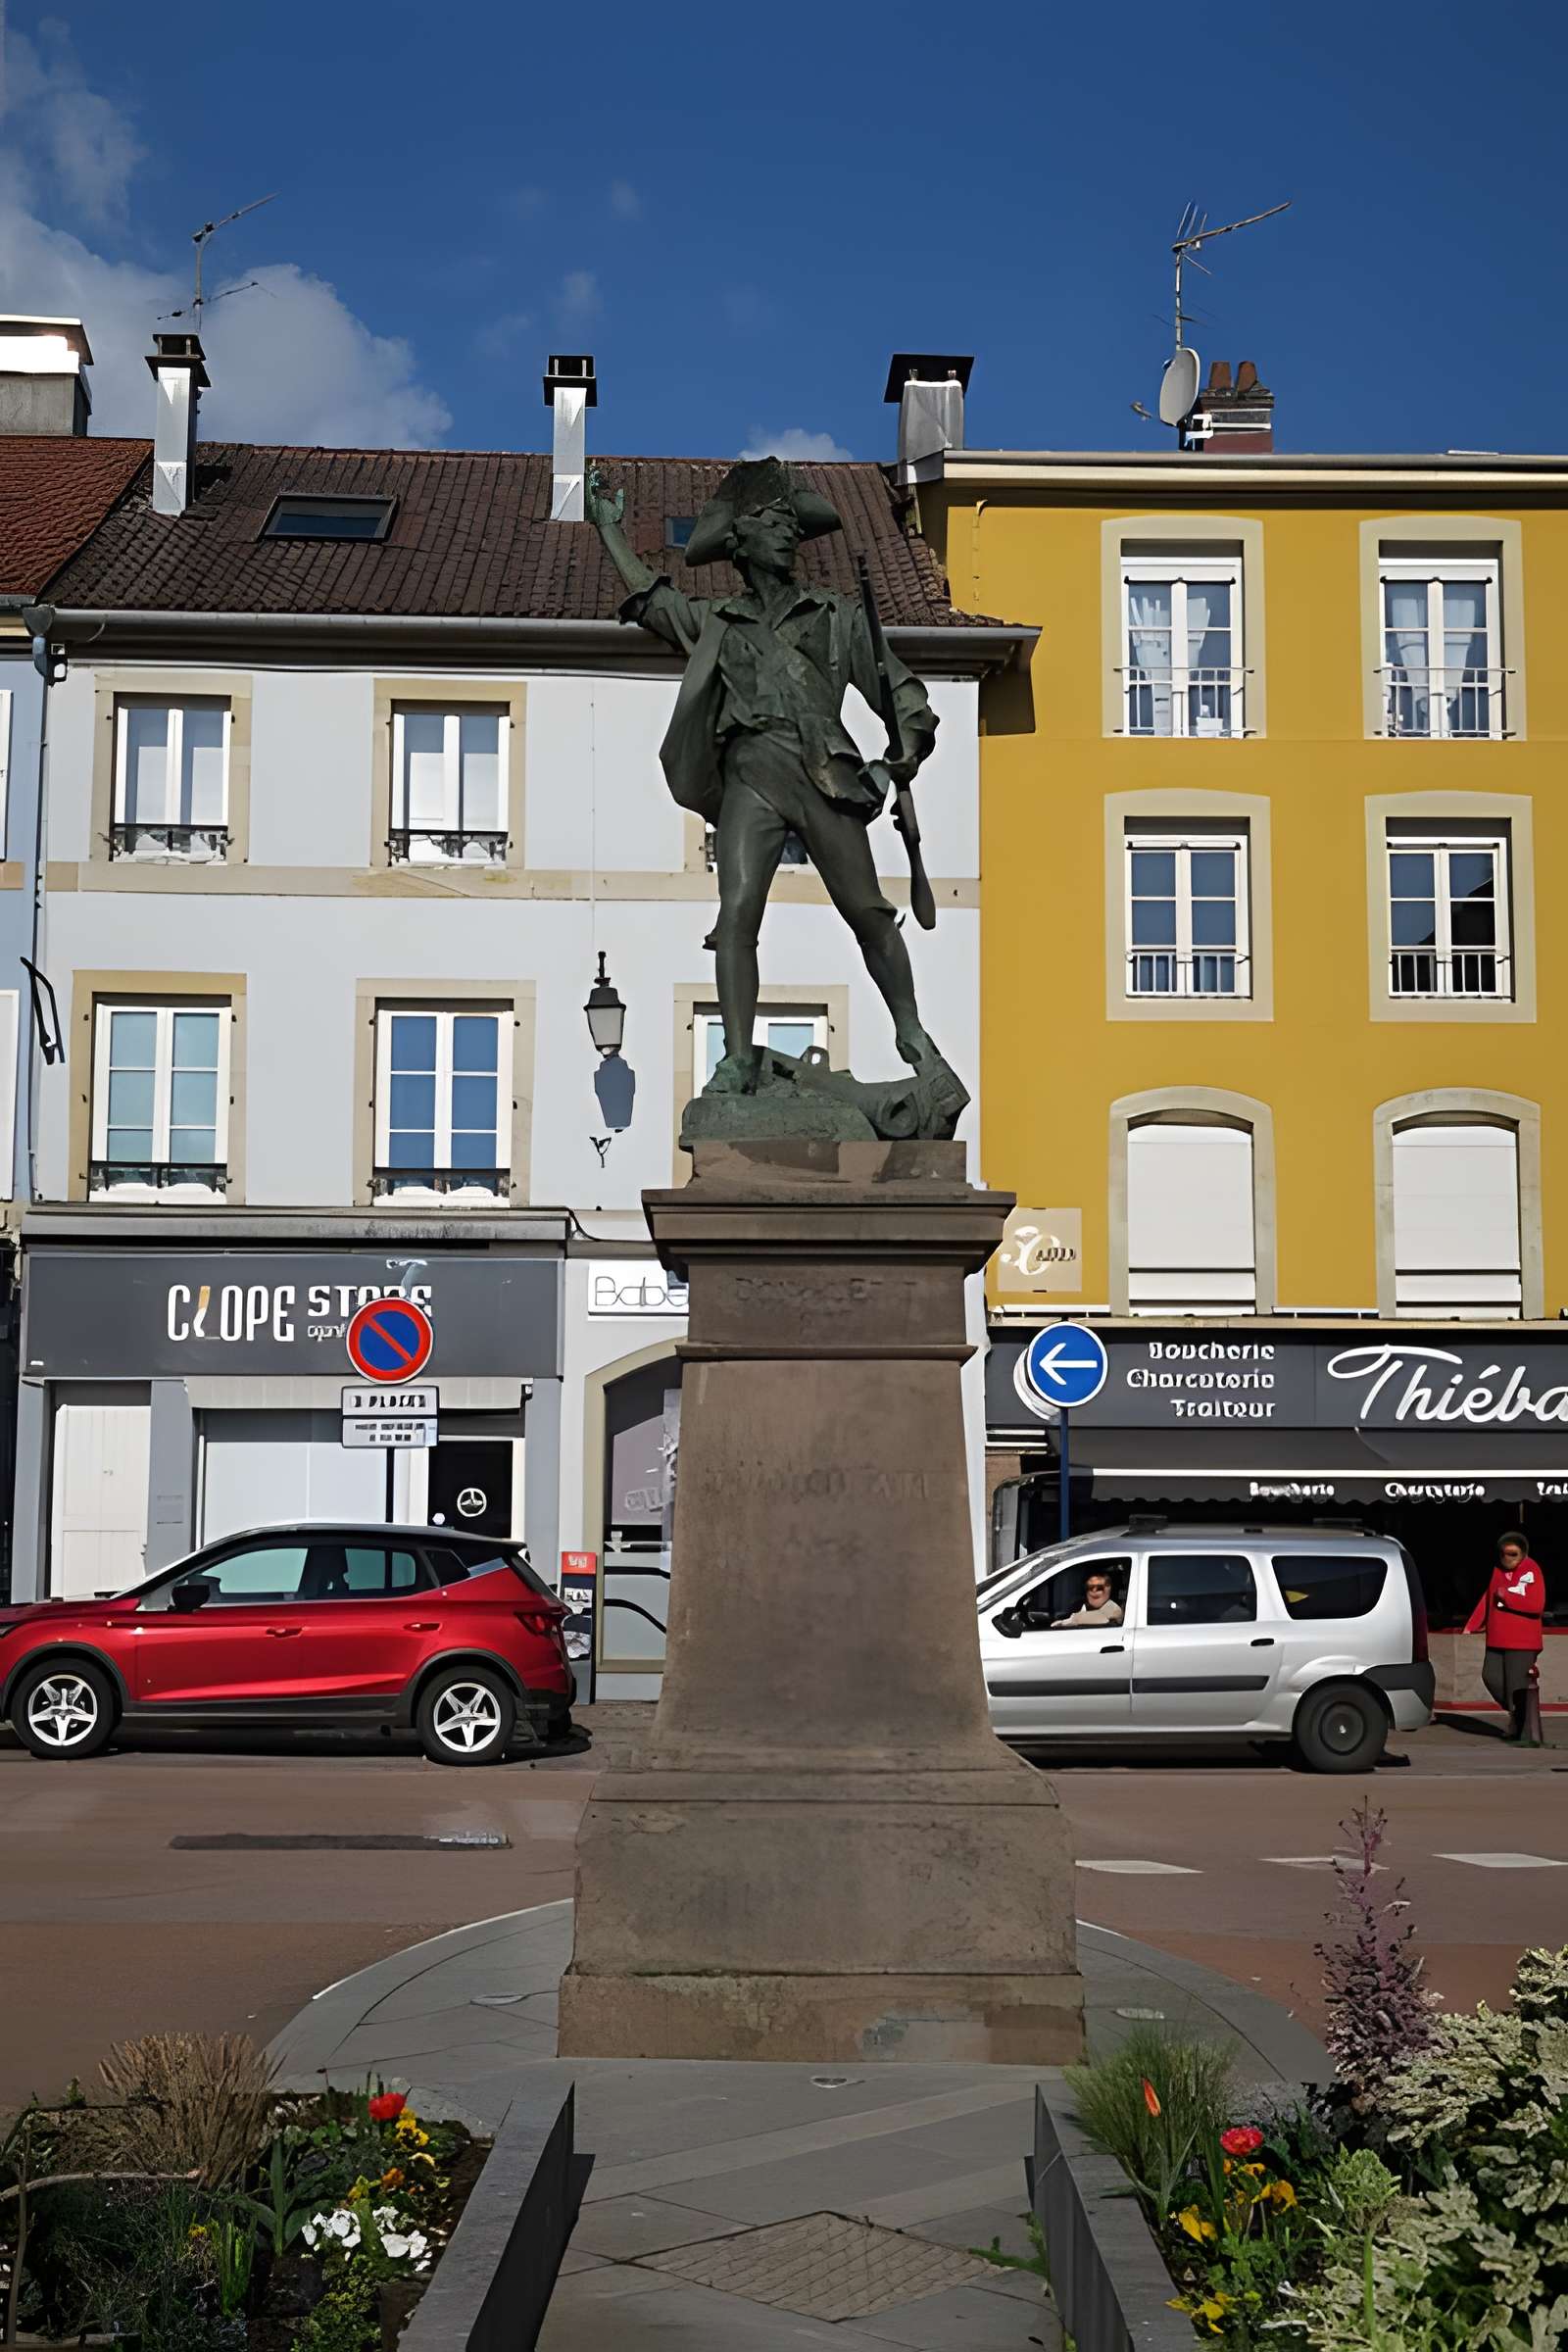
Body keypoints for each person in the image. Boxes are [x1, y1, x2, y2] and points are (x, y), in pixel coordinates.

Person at [583, 457, 949, 1095]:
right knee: (736, 914)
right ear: (739, 539)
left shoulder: (835, 616)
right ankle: (736, 1057)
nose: (788, 534)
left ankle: (912, 1032)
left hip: (824, 776)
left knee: (868, 911)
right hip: (751, 776)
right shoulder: (719, 622)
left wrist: (901, 756)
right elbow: (654, 602)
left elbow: (901, 693)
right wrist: (609, 531)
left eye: (791, 524)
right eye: (773, 522)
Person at [1464, 1530, 1545, 1740]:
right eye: (1503, 1554)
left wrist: (1507, 1596)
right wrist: (1473, 1623)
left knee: (1516, 1686)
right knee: (1490, 1677)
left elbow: (1536, 1605)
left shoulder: (1532, 1569)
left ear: (1523, 1553)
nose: (1507, 1559)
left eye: (1513, 1554)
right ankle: (1517, 1715)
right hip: (1496, 1638)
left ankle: (1525, 1732)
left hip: (1522, 1641)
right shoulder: (1497, 1570)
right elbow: (1488, 1598)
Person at [1054, 1569, 1124, 1630]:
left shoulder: (1114, 1609)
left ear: (1108, 1589)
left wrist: (1063, 1622)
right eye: (1090, 1587)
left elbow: (1101, 1617)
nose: (1094, 1590)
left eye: (1099, 1587)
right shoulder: (1079, 1605)